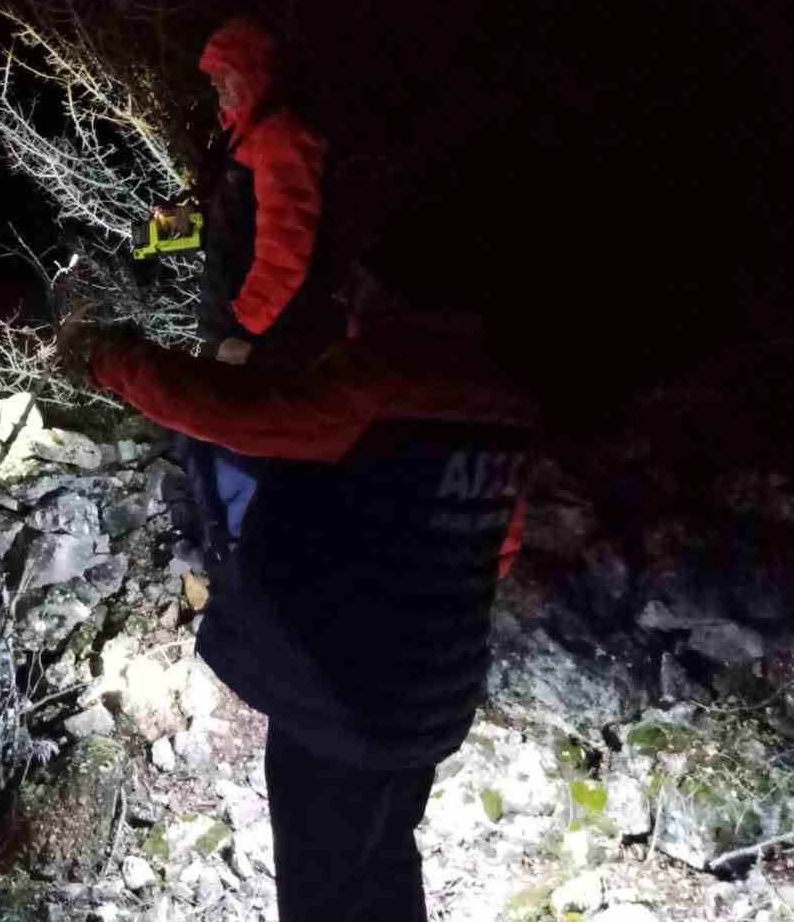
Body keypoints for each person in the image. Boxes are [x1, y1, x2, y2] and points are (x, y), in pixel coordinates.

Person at [65, 239, 537, 922]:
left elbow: (230, 413)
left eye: (360, 285)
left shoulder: (378, 384)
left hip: (341, 697)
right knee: (383, 860)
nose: (348, 299)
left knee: (323, 896)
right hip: (437, 695)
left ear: (395, 295)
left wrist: (107, 359)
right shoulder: (502, 401)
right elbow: (499, 548)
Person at [194, 16, 342, 368]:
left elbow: (287, 244)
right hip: (234, 320)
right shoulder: (245, 133)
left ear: (253, 75)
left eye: (227, 75)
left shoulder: (282, 139)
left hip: (260, 333)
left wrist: (246, 330)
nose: (219, 86)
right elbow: (240, 222)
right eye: (215, 78)